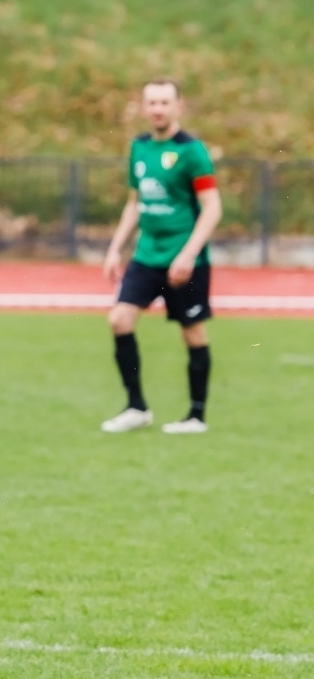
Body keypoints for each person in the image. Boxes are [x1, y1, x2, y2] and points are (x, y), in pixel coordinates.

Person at [100, 80, 223, 434]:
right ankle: (136, 407)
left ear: (178, 106)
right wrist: (115, 247)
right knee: (119, 320)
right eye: (152, 102)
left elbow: (212, 207)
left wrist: (188, 253)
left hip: (185, 260)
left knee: (193, 333)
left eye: (165, 102)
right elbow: (134, 203)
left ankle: (196, 416)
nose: (158, 109)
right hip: (147, 255)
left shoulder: (192, 151)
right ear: (143, 107)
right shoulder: (139, 148)